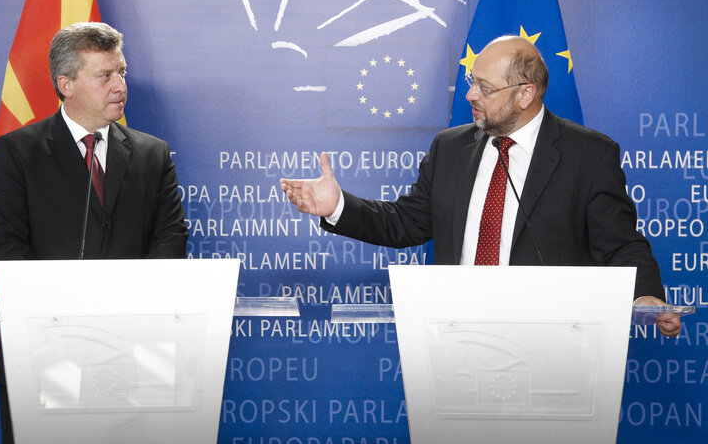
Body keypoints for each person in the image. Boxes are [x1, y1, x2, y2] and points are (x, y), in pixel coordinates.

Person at [280, 35, 680, 338]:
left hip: (553, 343)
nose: (470, 94)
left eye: (485, 88)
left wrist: (645, 296)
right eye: (473, 82)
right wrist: (337, 206)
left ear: (525, 94)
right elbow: (407, 223)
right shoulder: (450, 147)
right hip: (455, 338)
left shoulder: (588, 155)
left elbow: (621, 243)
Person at [0, 22, 188, 444]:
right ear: (66, 84)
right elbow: (5, 249)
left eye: (122, 73)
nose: (119, 85)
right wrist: (68, 317)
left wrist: (125, 314)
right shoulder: (17, 152)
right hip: (43, 349)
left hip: (133, 349)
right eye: (105, 75)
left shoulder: (153, 153)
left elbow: (170, 241)